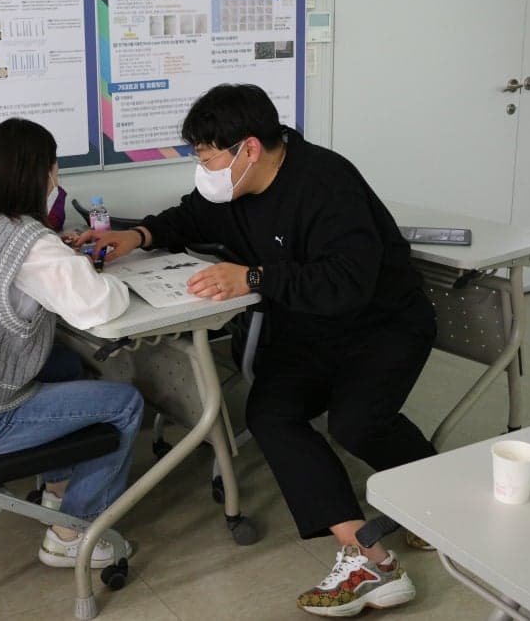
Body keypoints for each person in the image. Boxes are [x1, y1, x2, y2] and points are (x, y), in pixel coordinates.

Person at [81, 84, 437, 616]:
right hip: (310, 328)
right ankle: (367, 558)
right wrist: (139, 235)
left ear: (248, 148)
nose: (203, 170)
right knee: (271, 413)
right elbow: (191, 216)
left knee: (356, 423)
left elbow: (347, 281)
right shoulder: (235, 188)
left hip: (382, 325)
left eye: (207, 158)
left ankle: (436, 493)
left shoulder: (326, 182)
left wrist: (251, 277)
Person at [0, 117, 144, 569]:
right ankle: (73, 532)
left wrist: (61, 258)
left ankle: (57, 493)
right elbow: (98, 306)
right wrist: (101, 275)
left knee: (65, 364)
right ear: (43, 173)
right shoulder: (29, 242)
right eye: (54, 168)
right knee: (126, 404)